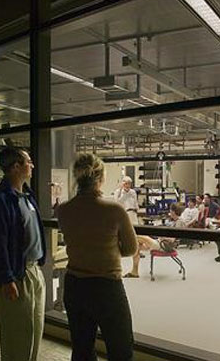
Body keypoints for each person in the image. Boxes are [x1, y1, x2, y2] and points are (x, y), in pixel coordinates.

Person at [56, 154, 138, 361]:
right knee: (120, 349)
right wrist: (107, 248)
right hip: (106, 287)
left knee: (82, 349)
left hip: (74, 285)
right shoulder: (114, 209)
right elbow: (130, 249)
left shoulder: (64, 210)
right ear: (100, 178)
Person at [0, 147, 46, 361]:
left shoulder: (27, 196)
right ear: (16, 167)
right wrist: (6, 278)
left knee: (34, 331)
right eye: (29, 161)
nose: (33, 165)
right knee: (17, 335)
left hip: (34, 271)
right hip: (15, 276)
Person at [124, 203, 183, 278]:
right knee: (137, 246)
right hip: (160, 243)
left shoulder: (179, 222)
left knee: (138, 236)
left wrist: (162, 237)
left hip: (163, 246)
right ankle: (134, 272)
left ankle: (126, 248)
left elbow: (172, 239)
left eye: (170, 211)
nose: (169, 212)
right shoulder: (174, 221)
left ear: (173, 212)